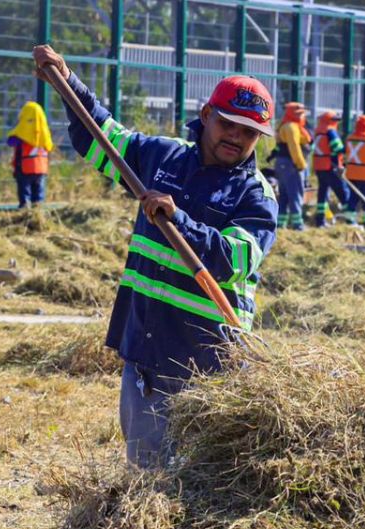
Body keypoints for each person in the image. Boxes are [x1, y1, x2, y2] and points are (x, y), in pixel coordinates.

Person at [32, 45, 277, 468]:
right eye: (228, 124)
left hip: (208, 358)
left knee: (200, 475)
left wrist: (179, 219)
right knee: (145, 467)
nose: (236, 137)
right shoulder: (162, 157)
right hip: (146, 343)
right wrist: (67, 81)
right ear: (206, 116)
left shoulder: (255, 194)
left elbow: (234, 260)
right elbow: (101, 136)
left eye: (249, 132)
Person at [6, 101, 53, 208]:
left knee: (25, 195)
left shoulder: (21, 136)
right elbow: (49, 147)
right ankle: (38, 213)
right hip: (41, 170)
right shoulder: (44, 135)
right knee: (39, 196)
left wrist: (19, 129)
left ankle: (25, 212)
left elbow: (10, 142)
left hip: (24, 169)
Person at [273, 102, 310, 230]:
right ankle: (297, 224)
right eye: (300, 114)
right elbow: (294, 147)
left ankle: (280, 223)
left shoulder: (285, 125)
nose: (303, 116)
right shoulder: (291, 127)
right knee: (295, 193)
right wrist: (301, 165)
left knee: (284, 194)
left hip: (282, 164)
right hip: (291, 164)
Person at [311, 110, 348, 227]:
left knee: (322, 193)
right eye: (335, 120)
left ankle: (320, 221)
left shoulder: (317, 132)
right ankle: (350, 219)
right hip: (330, 166)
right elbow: (338, 149)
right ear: (330, 121)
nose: (337, 122)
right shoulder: (330, 132)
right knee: (342, 192)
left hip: (319, 166)